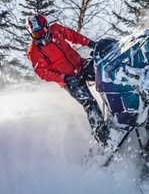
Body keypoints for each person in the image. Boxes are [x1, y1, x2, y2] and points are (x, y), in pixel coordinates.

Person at [26, 13, 110, 146]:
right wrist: (63, 78)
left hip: (80, 64)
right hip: (68, 80)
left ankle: (118, 107)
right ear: (31, 34)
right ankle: (104, 138)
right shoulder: (34, 51)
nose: (41, 36)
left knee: (105, 71)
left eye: (42, 31)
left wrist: (90, 43)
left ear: (47, 27)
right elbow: (43, 72)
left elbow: (73, 36)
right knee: (89, 104)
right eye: (36, 34)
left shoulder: (56, 29)